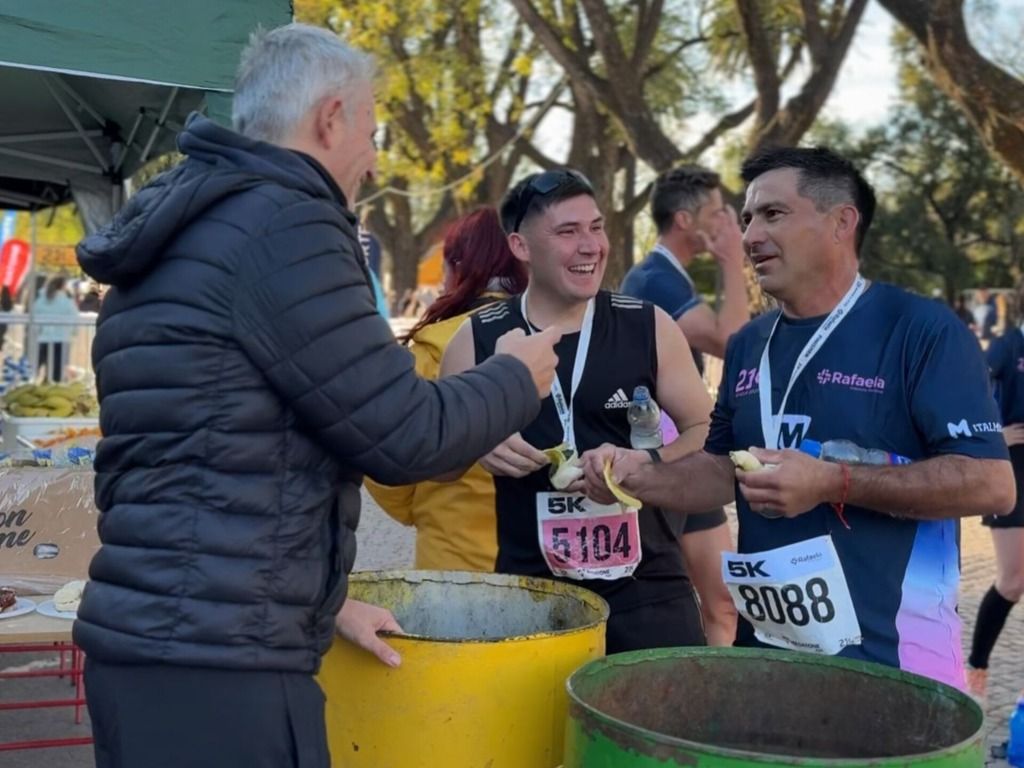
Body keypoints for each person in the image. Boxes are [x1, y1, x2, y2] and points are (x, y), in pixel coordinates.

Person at [73, 24, 561, 768]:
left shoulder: (191, 229)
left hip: (157, 648)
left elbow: (210, 467)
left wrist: (322, 607)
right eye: (371, 128)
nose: (371, 156)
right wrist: (515, 376)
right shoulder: (287, 222)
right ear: (332, 117)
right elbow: (403, 434)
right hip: (222, 672)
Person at [584, 146, 1014, 689]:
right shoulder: (748, 345)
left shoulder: (921, 330)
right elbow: (720, 468)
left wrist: (833, 482)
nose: (749, 236)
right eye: (746, 219)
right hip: (767, 661)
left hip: (893, 669)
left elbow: (992, 484)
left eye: (773, 214)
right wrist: (643, 475)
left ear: (842, 222)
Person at [442, 169, 716, 653]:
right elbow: (438, 459)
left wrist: (649, 464)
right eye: (568, 232)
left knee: (651, 728)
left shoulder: (647, 325)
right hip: (532, 597)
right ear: (521, 247)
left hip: (648, 594)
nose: (591, 246)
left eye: (596, 227)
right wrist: (478, 439)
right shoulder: (477, 337)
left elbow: (707, 429)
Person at [620, 165, 747, 646]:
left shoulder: (666, 278)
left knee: (722, 602)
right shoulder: (656, 281)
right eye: (717, 213)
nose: (728, 224)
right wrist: (733, 262)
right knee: (710, 602)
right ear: (684, 220)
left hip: (685, 453)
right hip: (671, 460)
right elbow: (731, 340)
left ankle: (715, 701)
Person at [366, 207, 528, 570]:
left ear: (456, 268)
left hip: (452, 563)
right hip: (545, 566)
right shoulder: (557, 343)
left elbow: (388, 463)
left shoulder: (427, 352)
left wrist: (422, 508)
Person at [967, 286, 1024, 699]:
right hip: (1014, 471)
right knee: (1013, 580)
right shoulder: (1008, 346)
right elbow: (968, 396)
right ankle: (977, 664)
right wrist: (994, 437)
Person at [34, 275, 79, 382]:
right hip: (62, 339)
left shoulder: (40, 299)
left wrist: (37, 332)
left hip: (43, 338)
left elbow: (35, 316)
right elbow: (73, 317)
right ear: (63, 286)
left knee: (38, 366)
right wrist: (74, 332)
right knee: (56, 372)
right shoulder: (67, 301)